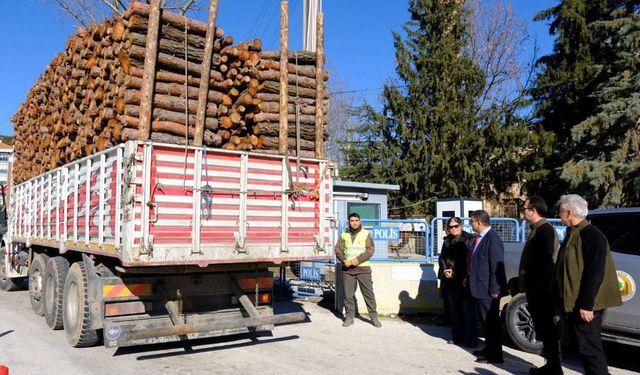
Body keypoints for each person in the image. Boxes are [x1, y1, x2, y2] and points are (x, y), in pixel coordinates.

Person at [554, 194, 622, 374]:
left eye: (560, 212)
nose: (559, 216)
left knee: (589, 348)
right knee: (584, 347)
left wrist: (586, 305)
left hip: (587, 304)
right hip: (575, 301)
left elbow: (595, 273)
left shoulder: (591, 235)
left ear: (568, 213)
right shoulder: (574, 232)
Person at [519, 196, 562, 374]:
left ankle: (554, 367)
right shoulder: (537, 230)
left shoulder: (545, 231)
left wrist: (536, 287)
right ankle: (551, 365)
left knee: (547, 328)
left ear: (533, 211)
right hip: (536, 289)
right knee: (543, 329)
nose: (523, 211)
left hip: (542, 290)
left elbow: (546, 263)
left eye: (525, 208)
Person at [466, 210, 508, 364]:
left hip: (488, 290)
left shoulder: (492, 239)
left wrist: (495, 289)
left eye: (472, 221)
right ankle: (489, 348)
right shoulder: (480, 238)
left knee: (491, 324)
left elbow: (496, 266)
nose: (470, 224)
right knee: (485, 323)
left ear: (479, 222)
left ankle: (496, 355)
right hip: (478, 287)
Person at [335, 212, 382, 328]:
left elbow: (370, 250)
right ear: (349, 222)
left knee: (369, 294)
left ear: (359, 221)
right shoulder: (344, 235)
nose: (354, 223)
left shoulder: (366, 234)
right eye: (352, 221)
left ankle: (374, 317)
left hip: (363, 269)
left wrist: (358, 260)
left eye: (356, 220)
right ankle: (349, 317)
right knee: (348, 295)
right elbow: (338, 249)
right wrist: (343, 260)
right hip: (348, 270)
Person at [438, 217, 477, 347]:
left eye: (455, 226)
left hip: (465, 280)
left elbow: (471, 260)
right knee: (455, 311)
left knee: (468, 310)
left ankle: (471, 339)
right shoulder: (447, 241)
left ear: (460, 226)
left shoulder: (469, 239)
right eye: (450, 227)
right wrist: (445, 270)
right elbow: (442, 258)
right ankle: (457, 337)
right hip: (451, 281)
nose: (453, 229)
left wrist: (463, 274)